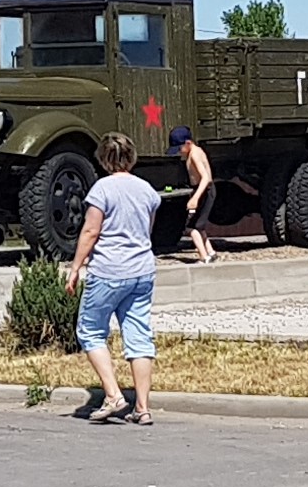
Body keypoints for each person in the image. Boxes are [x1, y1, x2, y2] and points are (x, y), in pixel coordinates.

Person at [67, 131, 160, 425]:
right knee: (138, 335)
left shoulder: (101, 189)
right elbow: (147, 229)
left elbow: (91, 231)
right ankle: (142, 407)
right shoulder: (147, 190)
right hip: (142, 269)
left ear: (103, 160)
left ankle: (113, 394)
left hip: (109, 270)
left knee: (90, 330)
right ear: (131, 157)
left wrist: (75, 267)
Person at [168, 126, 221, 264]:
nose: (179, 152)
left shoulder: (195, 154)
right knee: (199, 225)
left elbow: (205, 178)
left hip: (205, 190)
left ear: (188, 143)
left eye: (180, 148)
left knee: (192, 228)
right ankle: (211, 252)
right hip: (202, 190)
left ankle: (204, 257)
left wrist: (195, 198)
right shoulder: (193, 153)